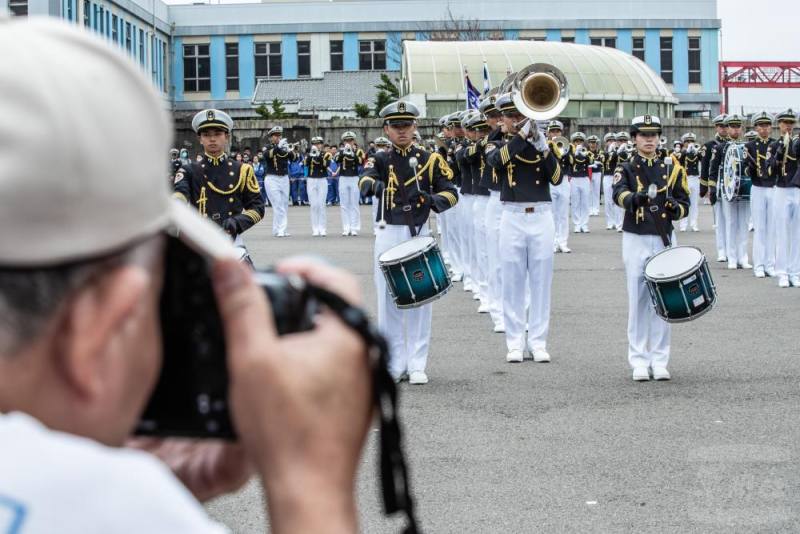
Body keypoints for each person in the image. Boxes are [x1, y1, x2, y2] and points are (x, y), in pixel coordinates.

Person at [0, 17, 372, 533]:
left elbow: (253, 206)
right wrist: (311, 481)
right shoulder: (111, 505)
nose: (215, 139)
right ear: (101, 321)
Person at [359, 101, 458, 384]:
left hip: (418, 231)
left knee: (421, 299)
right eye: (396, 126)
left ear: (415, 127)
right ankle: (392, 362)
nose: (402, 131)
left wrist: (431, 201)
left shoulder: (430, 159)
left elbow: (451, 193)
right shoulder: (378, 159)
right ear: (386, 129)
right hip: (388, 231)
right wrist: (378, 186)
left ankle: (417, 363)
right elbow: (363, 182)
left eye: (407, 125)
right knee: (387, 300)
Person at [612, 115, 689, 382]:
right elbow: (618, 194)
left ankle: (659, 358)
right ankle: (638, 360)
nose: (649, 139)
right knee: (638, 299)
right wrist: (637, 198)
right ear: (634, 138)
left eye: (653, 134)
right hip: (636, 237)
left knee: (664, 300)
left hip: (663, 237)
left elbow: (683, 201)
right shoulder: (627, 167)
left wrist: (674, 208)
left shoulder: (672, 167)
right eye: (643, 135)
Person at [486, 91, 562, 364]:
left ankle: (539, 342)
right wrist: (520, 137)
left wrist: (542, 146)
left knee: (541, 282)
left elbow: (556, 177)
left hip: (541, 214)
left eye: (519, 115)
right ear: (502, 119)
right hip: (512, 215)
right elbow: (496, 162)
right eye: (509, 116)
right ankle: (515, 342)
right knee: (513, 281)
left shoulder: (542, 144)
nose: (514, 120)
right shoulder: (495, 143)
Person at [172, 109, 264, 264]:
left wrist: (237, 221)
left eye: (217, 134)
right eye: (206, 135)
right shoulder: (188, 170)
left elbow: (257, 208)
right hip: (198, 241)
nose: (212, 139)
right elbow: (180, 193)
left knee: (249, 284)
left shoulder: (242, 170)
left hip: (230, 241)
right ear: (200, 139)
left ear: (226, 137)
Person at [477, 93, 506, 332]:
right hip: (496, 199)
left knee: (522, 262)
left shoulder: (531, 136)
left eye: (502, 115)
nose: (499, 120)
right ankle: (498, 309)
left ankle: (522, 308)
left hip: (524, 202)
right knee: (495, 258)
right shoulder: (490, 141)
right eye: (495, 116)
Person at [710, 114, 751, 270]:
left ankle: (743, 257)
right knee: (731, 222)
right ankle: (732, 257)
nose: (735, 130)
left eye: (737, 126)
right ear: (727, 129)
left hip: (743, 189)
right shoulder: (720, 148)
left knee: (744, 223)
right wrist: (712, 188)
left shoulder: (746, 146)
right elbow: (713, 170)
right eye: (732, 126)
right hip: (728, 190)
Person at [744, 111, 776, 278]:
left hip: (773, 188)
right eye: (761, 126)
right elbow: (743, 169)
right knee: (760, 228)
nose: (764, 129)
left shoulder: (776, 144)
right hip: (757, 187)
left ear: (771, 127)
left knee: (771, 228)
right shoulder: (749, 147)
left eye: (767, 125)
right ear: (756, 127)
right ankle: (759, 265)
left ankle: (770, 264)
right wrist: (749, 168)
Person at [771, 109, 800, 287]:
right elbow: (768, 170)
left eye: (791, 123)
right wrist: (778, 154)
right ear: (779, 124)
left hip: (796, 189)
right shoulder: (774, 145)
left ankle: (795, 271)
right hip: (781, 189)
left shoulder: (798, 143)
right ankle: (782, 272)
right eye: (785, 123)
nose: (788, 125)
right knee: (781, 232)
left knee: (797, 233)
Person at [701, 114, 730, 262]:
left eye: (726, 126)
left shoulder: (734, 143)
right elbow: (705, 168)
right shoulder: (709, 145)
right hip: (717, 183)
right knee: (719, 219)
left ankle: (730, 249)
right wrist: (705, 188)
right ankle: (721, 250)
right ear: (716, 127)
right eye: (721, 126)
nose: (724, 129)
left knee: (731, 220)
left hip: (731, 184)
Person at [264, 126, 294, 237]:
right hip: (272, 178)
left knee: (284, 204)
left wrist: (289, 150)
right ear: (271, 137)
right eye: (275, 135)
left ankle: (278, 229)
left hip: (284, 178)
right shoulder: (267, 147)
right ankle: (281, 229)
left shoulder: (284, 148)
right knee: (277, 204)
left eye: (279, 135)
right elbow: (267, 156)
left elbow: (294, 158)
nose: (278, 137)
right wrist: (278, 147)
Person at [334, 131, 365, 236]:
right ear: (344, 142)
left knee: (354, 204)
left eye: (350, 140)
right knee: (344, 204)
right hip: (343, 178)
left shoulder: (359, 151)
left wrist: (353, 153)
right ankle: (346, 227)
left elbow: (361, 162)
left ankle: (354, 227)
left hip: (354, 178)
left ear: (354, 141)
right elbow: (336, 160)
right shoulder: (340, 152)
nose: (349, 142)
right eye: (347, 140)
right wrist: (344, 152)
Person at [304, 136, 330, 236]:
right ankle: (315, 228)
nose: (316, 145)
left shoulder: (326, 154)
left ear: (321, 144)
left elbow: (325, 164)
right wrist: (311, 155)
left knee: (321, 205)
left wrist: (318, 155)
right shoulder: (308, 155)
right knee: (314, 205)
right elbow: (305, 163)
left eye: (318, 143)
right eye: (314, 144)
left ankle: (322, 228)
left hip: (322, 180)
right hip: (311, 180)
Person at [568, 131, 593, 233]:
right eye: (576, 141)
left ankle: (584, 224)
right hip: (574, 179)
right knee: (575, 202)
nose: (578, 143)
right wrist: (575, 153)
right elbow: (568, 162)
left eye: (580, 141)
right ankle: (577, 224)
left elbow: (591, 162)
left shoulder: (587, 152)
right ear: (573, 142)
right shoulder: (569, 152)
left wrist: (584, 155)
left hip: (584, 179)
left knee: (585, 202)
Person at [677, 132, 701, 232]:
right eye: (687, 141)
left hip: (695, 179)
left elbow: (702, 159)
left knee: (694, 203)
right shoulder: (682, 153)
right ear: (684, 143)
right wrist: (685, 151)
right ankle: (683, 225)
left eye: (691, 141)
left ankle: (694, 224)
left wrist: (696, 151)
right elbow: (679, 162)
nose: (690, 143)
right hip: (685, 179)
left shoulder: (696, 152)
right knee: (684, 202)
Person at [602, 133, 623, 231]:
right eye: (609, 141)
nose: (611, 142)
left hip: (617, 176)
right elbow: (601, 159)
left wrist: (616, 151)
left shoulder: (619, 152)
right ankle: (610, 222)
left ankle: (619, 223)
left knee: (617, 199)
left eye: (613, 141)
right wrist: (610, 152)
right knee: (608, 201)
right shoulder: (604, 153)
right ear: (606, 143)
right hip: (607, 176)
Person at [586, 134, 603, 216]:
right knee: (589, 191)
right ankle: (589, 208)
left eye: (594, 142)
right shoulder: (585, 152)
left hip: (597, 172)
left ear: (597, 144)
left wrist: (597, 163)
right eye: (591, 142)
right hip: (588, 173)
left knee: (596, 191)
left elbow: (602, 162)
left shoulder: (600, 152)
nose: (592, 144)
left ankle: (596, 209)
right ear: (588, 143)